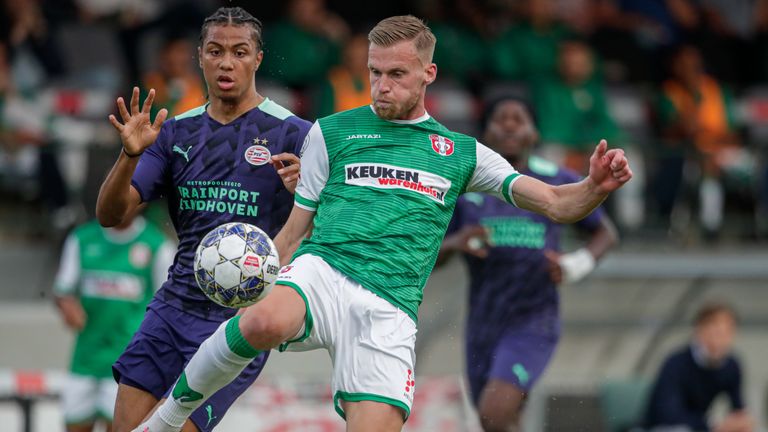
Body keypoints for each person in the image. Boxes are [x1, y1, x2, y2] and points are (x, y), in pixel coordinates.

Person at [135, 15, 632, 432]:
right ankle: (163, 423)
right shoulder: (331, 132)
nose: (382, 86)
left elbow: (554, 202)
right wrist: (262, 275)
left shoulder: (460, 152)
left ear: (428, 74)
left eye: (396, 73)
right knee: (264, 319)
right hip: (324, 271)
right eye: (375, 73)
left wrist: (593, 188)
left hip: (389, 308)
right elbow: (294, 230)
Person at [95, 7, 311, 432]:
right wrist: (129, 155)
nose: (226, 62)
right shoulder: (173, 133)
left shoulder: (296, 135)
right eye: (215, 51)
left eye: (239, 51)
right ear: (200, 56)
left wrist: (308, 196)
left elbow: (328, 231)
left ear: (258, 58)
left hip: (238, 322)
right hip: (172, 308)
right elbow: (109, 215)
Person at [437, 97, 619, 432]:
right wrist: (456, 241)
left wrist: (573, 265)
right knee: (499, 420)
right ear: (485, 133)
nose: (508, 124)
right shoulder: (465, 188)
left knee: (494, 413)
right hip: (483, 321)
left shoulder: (556, 180)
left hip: (533, 319)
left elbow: (605, 233)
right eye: (499, 118)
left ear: (534, 133)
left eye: (518, 119)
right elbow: (430, 258)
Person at [54, 208, 175, 432]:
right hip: (85, 360)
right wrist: (67, 306)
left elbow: (167, 304)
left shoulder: (157, 245)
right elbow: (63, 290)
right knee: (75, 425)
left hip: (128, 366)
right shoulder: (82, 239)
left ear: (141, 201)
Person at [644, 302, 754, 432]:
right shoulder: (676, 363)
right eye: (716, 330)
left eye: (727, 331)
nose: (720, 339)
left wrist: (741, 421)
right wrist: (713, 425)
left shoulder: (731, 365)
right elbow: (668, 415)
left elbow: (737, 407)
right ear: (699, 329)